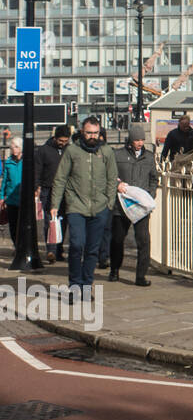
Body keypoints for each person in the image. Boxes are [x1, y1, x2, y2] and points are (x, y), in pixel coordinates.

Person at [50, 117, 117, 300]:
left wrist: (109, 203)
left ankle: (87, 287)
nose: (92, 136)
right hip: (76, 206)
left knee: (92, 249)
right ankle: (74, 286)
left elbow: (113, 179)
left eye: (95, 133)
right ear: (81, 132)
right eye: (89, 133)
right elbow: (60, 179)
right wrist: (55, 205)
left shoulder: (107, 152)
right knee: (76, 245)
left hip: (100, 208)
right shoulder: (72, 151)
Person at [110, 124, 158, 286]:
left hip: (141, 206)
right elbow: (110, 174)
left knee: (143, 241)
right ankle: (114, 270)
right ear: (130, 140)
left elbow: (154, 178)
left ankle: (140, 276)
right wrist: (117, 185)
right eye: (136, 139)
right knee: (117, 239)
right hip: (121, 205)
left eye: (142, 139)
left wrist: (150, 195)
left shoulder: (149, 157)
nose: (139, 142)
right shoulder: (118, 155)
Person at [35, 125, 72, 262]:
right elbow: (37, 170)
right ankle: (51, 250)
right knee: (50, 221)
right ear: (55, 138)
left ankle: (59, 248)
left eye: (65, 141)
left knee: (63, 221)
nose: (63, 143)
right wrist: (37, 187)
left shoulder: (70, 150)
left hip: (65, 189)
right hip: (48, 188)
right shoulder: (44, 150)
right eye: (60, 141)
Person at [2, 140, 22, 248]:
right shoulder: (8, 163)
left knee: (22, 225)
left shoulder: (27, 162)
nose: (14, 149)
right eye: (12, 147)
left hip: (23, 200)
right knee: (13, 226)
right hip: (11, 199)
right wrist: (1, 197)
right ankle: (17, 246)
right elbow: (4, 181)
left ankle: (22, 246)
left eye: (17, 147)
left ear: (21, 148)